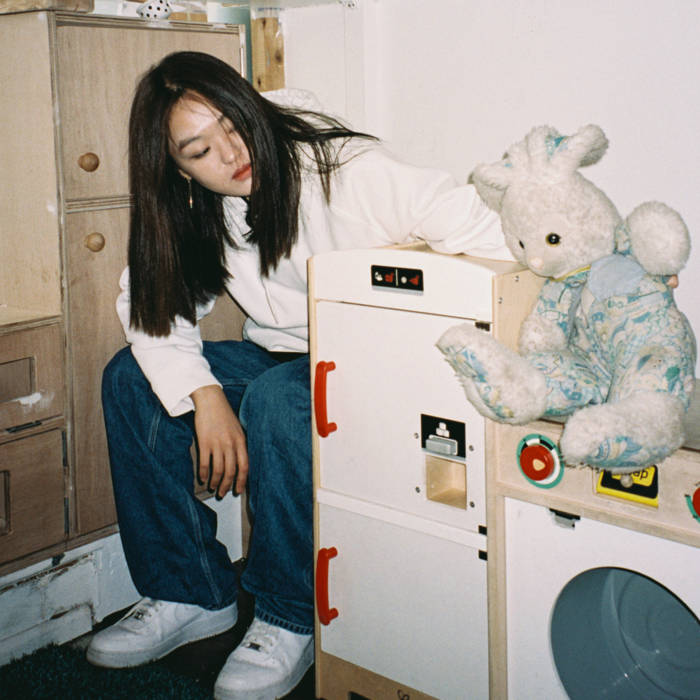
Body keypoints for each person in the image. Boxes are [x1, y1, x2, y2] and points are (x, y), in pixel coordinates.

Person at [85, 50, 511, 700]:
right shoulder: (197, 207)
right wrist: (204, 396)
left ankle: (288, 615)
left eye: (234, 125)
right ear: (178, 169)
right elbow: (151, 308)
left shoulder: (344, 169)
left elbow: (495, 235)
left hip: (375, 364)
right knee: (131, 380)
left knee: (280, 398)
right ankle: (189, 592)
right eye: (200, 151)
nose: (231, 154)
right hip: (284, 359)